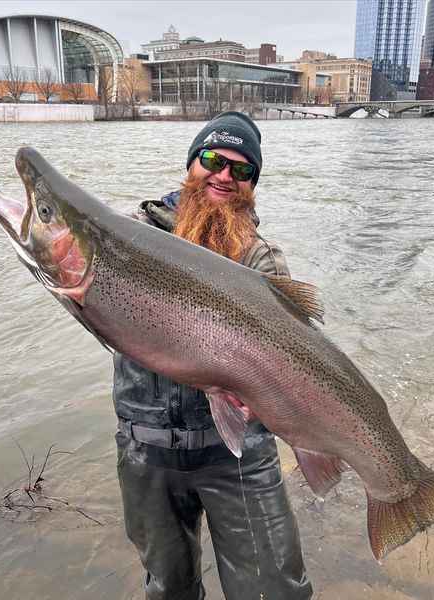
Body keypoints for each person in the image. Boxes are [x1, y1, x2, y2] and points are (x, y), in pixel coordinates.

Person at [113, 111, 313, 600]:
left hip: (238, 454)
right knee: (168, 590)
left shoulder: (262, 260)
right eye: (213, 160)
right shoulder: (135, 233)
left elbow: (297, 355)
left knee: (276, 592)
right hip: (147, 451)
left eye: (241, 170)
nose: (225, 175)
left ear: (251, 184)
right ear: (191, 165)